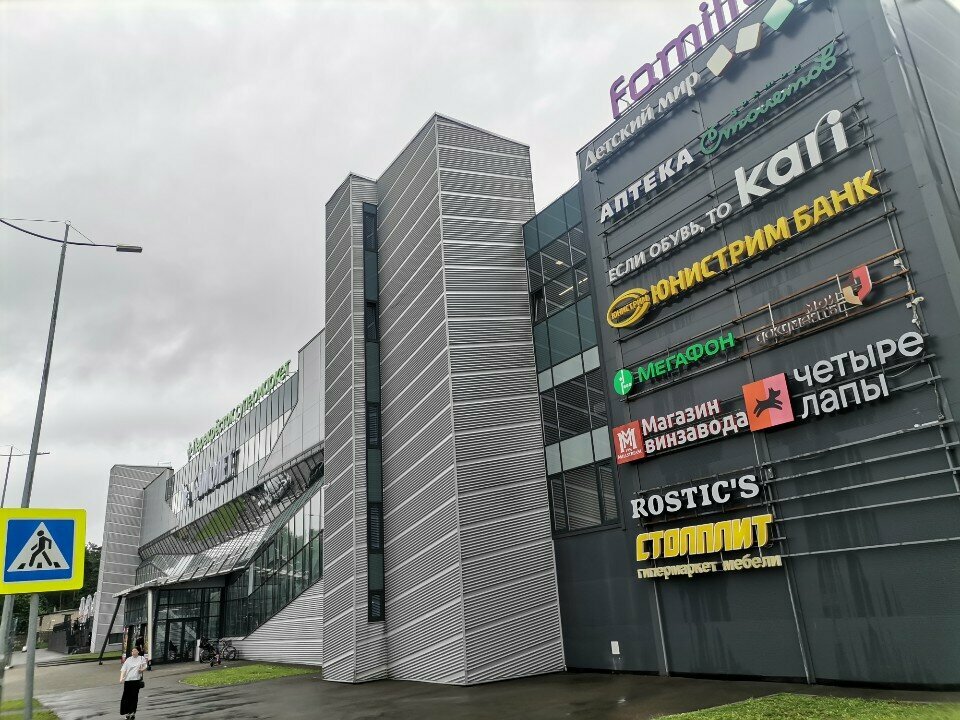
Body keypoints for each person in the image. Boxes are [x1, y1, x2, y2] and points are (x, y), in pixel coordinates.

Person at [119, 646, 147, 719]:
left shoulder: (141, 658)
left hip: (136, 680)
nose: (133, 652)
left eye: (134, 651)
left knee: (134, 697)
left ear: (138, 651)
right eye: (132, 651)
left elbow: (145, 666)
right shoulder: (128, 659)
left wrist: (142, 670)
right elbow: (123, 669)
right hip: (128, 681)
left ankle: (132, 712)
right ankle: (127, 712)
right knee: (126, 697)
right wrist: (121, 678)